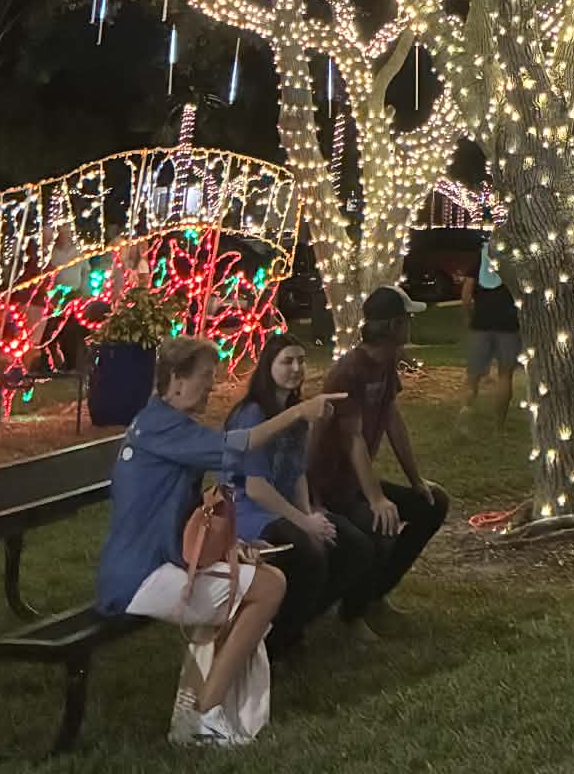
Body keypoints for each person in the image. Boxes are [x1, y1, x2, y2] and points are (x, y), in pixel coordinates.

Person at [94, 334, 340, 745]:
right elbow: (238, 446)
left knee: (260, 578)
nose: (212, 384)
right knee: (268, 588)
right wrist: (299, 413)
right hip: (138, 575)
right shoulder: (161, 427)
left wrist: (234, 550)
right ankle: (203, 716)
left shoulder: (160, 423)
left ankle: (211, 708)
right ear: (176, 380)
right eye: (206, 376)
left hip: (155, 563)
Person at [306, 286, 450, 636]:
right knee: (380, 526)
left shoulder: (386, 366)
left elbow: (392, 419)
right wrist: (375, 499)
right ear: (394, 325)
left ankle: (374, 595)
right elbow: (351, 437)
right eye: (408, 319)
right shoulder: (349, 371)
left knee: (432, 504)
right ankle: (351, 616)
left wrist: (416, 480)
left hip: (355, 483)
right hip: (331, 488)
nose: (411, 325)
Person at [224, 335, 369, 655]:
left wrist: (311, 515)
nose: (296, 368)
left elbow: (297, 472)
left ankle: (299, 621)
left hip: (286, 507)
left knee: (355, 546)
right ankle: (276, 642)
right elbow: (255, 487)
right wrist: (304, 523)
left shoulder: (298, 412)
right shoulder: (252, 414)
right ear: (268, 367)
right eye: (286, 361)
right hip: (249, 511)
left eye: (301, 360)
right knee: (311, 553)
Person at [460, 237, 521, 428]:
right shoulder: (516, 260)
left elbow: (465, 296)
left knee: (473, 376)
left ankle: (465, 415)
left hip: (481, 323)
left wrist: (470, 316)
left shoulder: (480, 257)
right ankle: (499, 424)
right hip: (509, 325)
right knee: (505, 376)